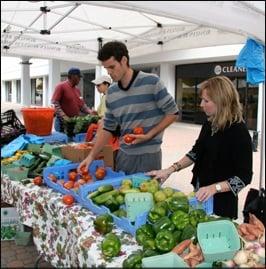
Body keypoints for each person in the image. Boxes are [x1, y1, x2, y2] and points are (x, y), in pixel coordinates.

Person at [147, 76, 253, 219]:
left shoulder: (239, 131)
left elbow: (244, 177)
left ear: (221, 102)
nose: (201, 105)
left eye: (206, 101)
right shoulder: (209, 123)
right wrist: (169, 170)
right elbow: (195, 152)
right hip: (200, 192)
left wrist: (214, 188)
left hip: (222, 203)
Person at [78, 41, 179, 174]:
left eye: (112, 67)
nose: (109, 72)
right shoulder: (112, 92)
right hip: (124, 155)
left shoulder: (152, 82)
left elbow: (173, 113)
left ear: (124, 60)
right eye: (106, 68)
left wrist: (149, 135)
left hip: (149, 156)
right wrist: (91, 156)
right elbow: (108, 128)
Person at [51, 67, 92, 132]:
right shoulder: (61, 86)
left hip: (73, 122)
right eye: (79, 77)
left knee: (71, 141)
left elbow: (82, 105)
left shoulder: (77, 90)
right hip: (62, 123)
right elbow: (55, 103)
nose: (79, 79)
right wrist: (64, 116)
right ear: (73, 76)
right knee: (62, 141)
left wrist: (90, 112)